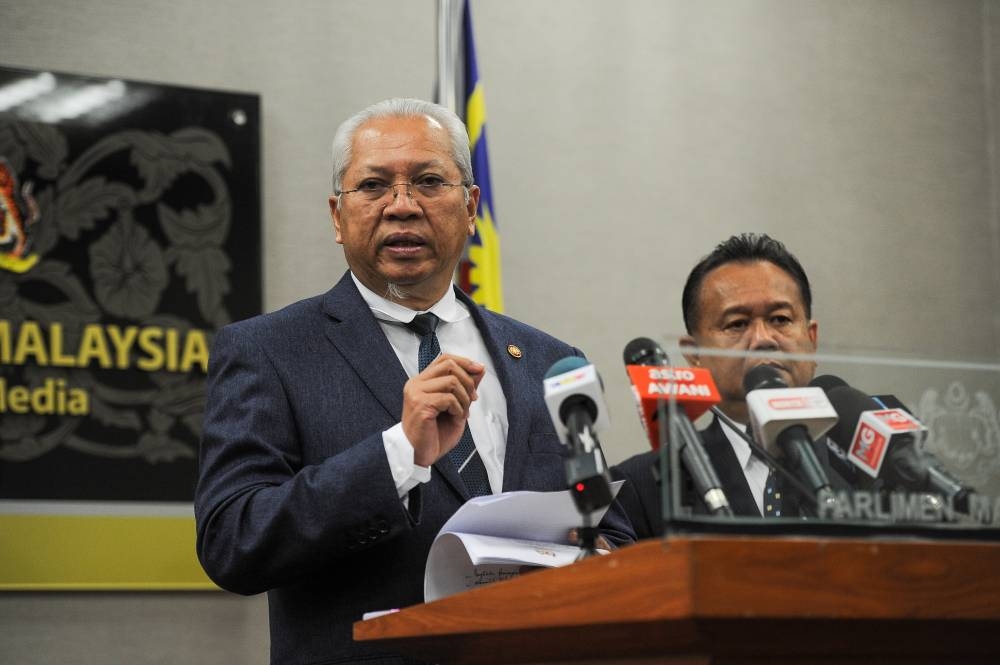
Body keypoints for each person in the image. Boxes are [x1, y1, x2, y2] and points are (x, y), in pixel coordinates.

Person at [194, 98, 632, 665]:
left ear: (471, 206)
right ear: (336, 215)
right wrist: (399, 454)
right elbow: (234, 542)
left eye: (428, 181)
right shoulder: (268, 352)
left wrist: (587, 556)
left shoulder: (552, 362)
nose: (402, 207)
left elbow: (610, 532)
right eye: (373, 186)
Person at [612, 233, 855, 538]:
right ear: (696, 354)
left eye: (780, 319)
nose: (763, 339)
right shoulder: (642, 488)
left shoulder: (871, 466)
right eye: (738, 324)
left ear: (812, 339)